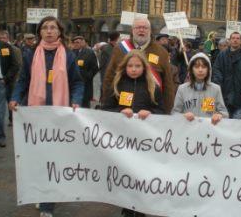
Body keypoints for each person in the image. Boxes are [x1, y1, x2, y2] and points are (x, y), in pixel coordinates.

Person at [9, 16, 84, 217]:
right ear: (40, 32)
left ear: (59, 32)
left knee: (53, 159)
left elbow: (77, 82)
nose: (49, 31)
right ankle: (41, 191)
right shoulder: (30, 54)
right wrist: (15, 98)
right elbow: (23, 80)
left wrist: (76, 99)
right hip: (35, 114)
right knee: (38, 158)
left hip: (59, 115)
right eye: (45, 28)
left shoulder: (67, 55)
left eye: (53, 28)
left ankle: (46, 204)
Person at [102, 50, 164, 217]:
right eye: (130, 66)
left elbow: (162, 111)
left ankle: (141, 208)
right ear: (124, 67)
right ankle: (127, 208)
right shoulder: (117, 85)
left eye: (137, 66)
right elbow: (105, 109)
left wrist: (151, 114)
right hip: (123, 139)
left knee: (142, 173)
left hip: (144, 140)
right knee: (126, 172)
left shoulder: (153, 87)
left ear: (144, 67)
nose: (134, 69)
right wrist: (120, 111)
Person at [102, 18, 175, 113]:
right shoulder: (119, 49)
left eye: (145, 28)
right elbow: (109, 77)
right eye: (138, 27)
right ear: (132, 30)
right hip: (122, 109)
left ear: (150, 31)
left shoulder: (162, 52)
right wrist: (107, 103)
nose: (141, 30)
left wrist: (166, 111)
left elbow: (168, 83)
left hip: (150, 111)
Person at [172, 53, 228, 124]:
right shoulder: (182, 89)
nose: (200, 70)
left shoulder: (215, 89)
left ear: (208, 70)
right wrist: (183, 116)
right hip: (188, 132)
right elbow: (174, 113)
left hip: (208, 132)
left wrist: (219, 115)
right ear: (191, 69)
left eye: (204, 67)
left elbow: (225, 114)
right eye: (196, 67)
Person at [213, 32, 241, 119]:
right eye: (233, 38)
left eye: (238, 38)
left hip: (240, 97)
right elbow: (216, 70)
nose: (235, 40)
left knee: (236, 125)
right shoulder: (222, 55)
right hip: (224, 95)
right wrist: (218, 84)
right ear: (229, 40)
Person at [0, 30, 22, 126]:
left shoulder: (14, 49)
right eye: (1, 38)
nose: (2, 40)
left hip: (11, 80)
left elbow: (18, 65)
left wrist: (13, 78)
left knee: (11, 99)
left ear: (8, 38)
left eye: (4, 38)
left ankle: (12, 119)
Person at [72, 36, 99, 108]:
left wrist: (88, 76)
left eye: (78, 42)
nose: (76, 44)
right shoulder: (72, 52)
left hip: (85, 83)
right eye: (74, 43)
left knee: (84, 104)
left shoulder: (89, 52)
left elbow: (95, 68)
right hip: (74, 82)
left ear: (83, 42)